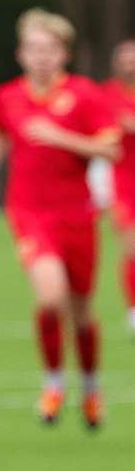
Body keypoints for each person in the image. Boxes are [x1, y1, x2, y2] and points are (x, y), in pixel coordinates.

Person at [0, 8, 121, 428]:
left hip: (77, 215)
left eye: (49, 49)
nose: (40, 56)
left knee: (81, 311)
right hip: (28, 212)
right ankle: (54, 384)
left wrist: (60, 136)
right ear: (20, 53)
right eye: (32, 48)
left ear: (64, 53)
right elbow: (1, 133)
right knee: (50, 298)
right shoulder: (7, 95)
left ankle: (92, 389)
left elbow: (112, 149)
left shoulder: (84, 93)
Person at [104, 39, 135, 335]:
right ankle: (133, 309)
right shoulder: (108, 95)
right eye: (126, 59)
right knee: (132, 249)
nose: (130, 63)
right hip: (125, 186)